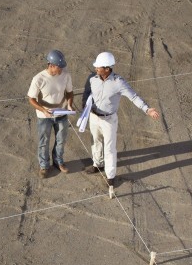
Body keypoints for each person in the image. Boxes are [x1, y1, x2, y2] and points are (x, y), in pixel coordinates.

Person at [81, 52, 160, 186]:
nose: (96, 69)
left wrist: (147, 109)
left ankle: (110, 176)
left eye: (98, 67)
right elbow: (87, 93)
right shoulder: (92, 78)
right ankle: (98, 164)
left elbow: (133, 97)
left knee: (110, 148)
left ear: (107, 69)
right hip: (94, 117)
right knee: (96, 141)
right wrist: (85, 107)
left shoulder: (119, 83)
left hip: (109, 120)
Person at [27, 50, 75, 178]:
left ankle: (58, 162)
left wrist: (70, 104)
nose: (62, 69)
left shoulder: (66, 75)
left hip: (62, 114)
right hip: (44, 117)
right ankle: (44, 166)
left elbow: (70, 92)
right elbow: (31, 98)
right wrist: (43, 110)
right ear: (51, 65)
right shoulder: (39, 78)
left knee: (61, 140)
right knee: (44, 141)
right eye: (60, 67)